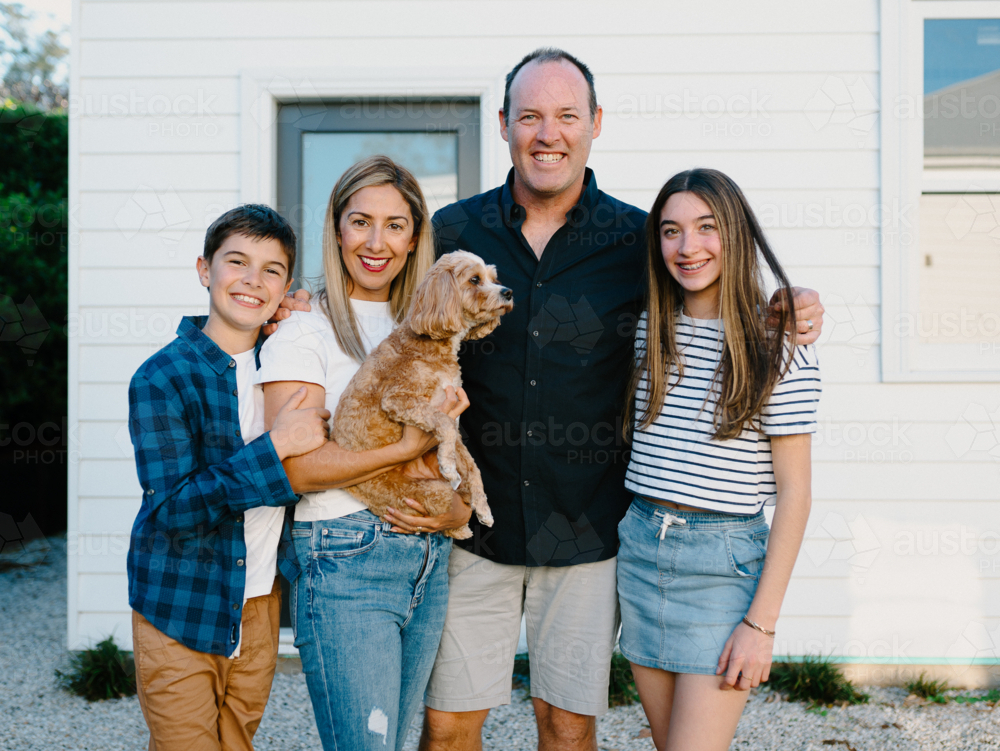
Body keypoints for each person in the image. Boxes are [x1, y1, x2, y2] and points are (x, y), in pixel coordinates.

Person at [418, 49, 827, 751]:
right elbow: (381, 310)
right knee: (448, 725)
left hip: (589, 534)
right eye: (531, 116)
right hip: (471, 528)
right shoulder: (452, 234)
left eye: (567, 116)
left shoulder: (637, 239)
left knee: (569, 727)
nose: (549, 133)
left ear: (595, 123)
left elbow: (709, 280)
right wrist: (296, 306)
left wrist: (789, 303)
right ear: (504, 125)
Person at [258, 155, 472, 751]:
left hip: (428, 561)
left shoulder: (425, 326)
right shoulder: (305, 326)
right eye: (360, 222)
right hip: (344, 558)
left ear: (414, 240)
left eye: (395, 226)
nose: (376, 242)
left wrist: (456, 512)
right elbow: (296, 468)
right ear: (336, 229)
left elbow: (445, 442)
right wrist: (405, 446)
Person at [616, 168, 819, 750]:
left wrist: (761, 625)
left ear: (735, 234)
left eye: (706, 228)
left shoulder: (777, 348)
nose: (688, 247)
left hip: (721, 566)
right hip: (640, 552)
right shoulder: (648, 331)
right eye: (671, 231)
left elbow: (797, 497)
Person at [126, 204, 332, 751]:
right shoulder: (162, 377)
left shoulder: (288, 362)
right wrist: (277, 448)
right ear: (204, 270)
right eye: (236, 262)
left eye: (271, 270)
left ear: (286, 285)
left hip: (260, 601)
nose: (252, 280)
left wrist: (307, 320)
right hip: (180, 598)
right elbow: (173, 509)